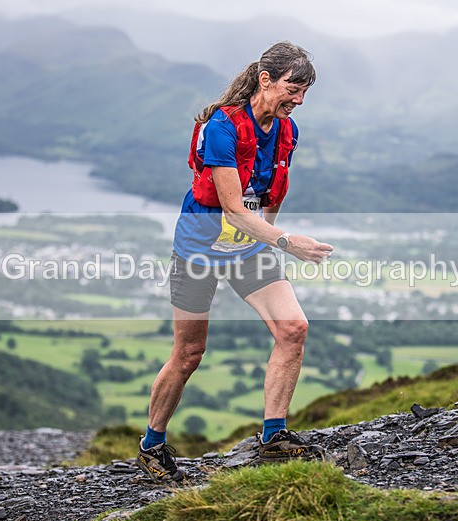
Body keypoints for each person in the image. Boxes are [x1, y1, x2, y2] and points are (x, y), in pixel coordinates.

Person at [136, 41, 334, 483]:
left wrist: (269, 241)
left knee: (293, 328)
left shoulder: (287, 131)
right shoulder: (223, 127)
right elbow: (232, 206)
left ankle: (274, 436)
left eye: (305, 93)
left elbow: (268, 199)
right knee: (189, 354)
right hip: (199, 251)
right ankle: (152, 445)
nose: (298, 100)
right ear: (265, 80)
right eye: (292, 88)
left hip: (248, 249)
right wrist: (287, 243)